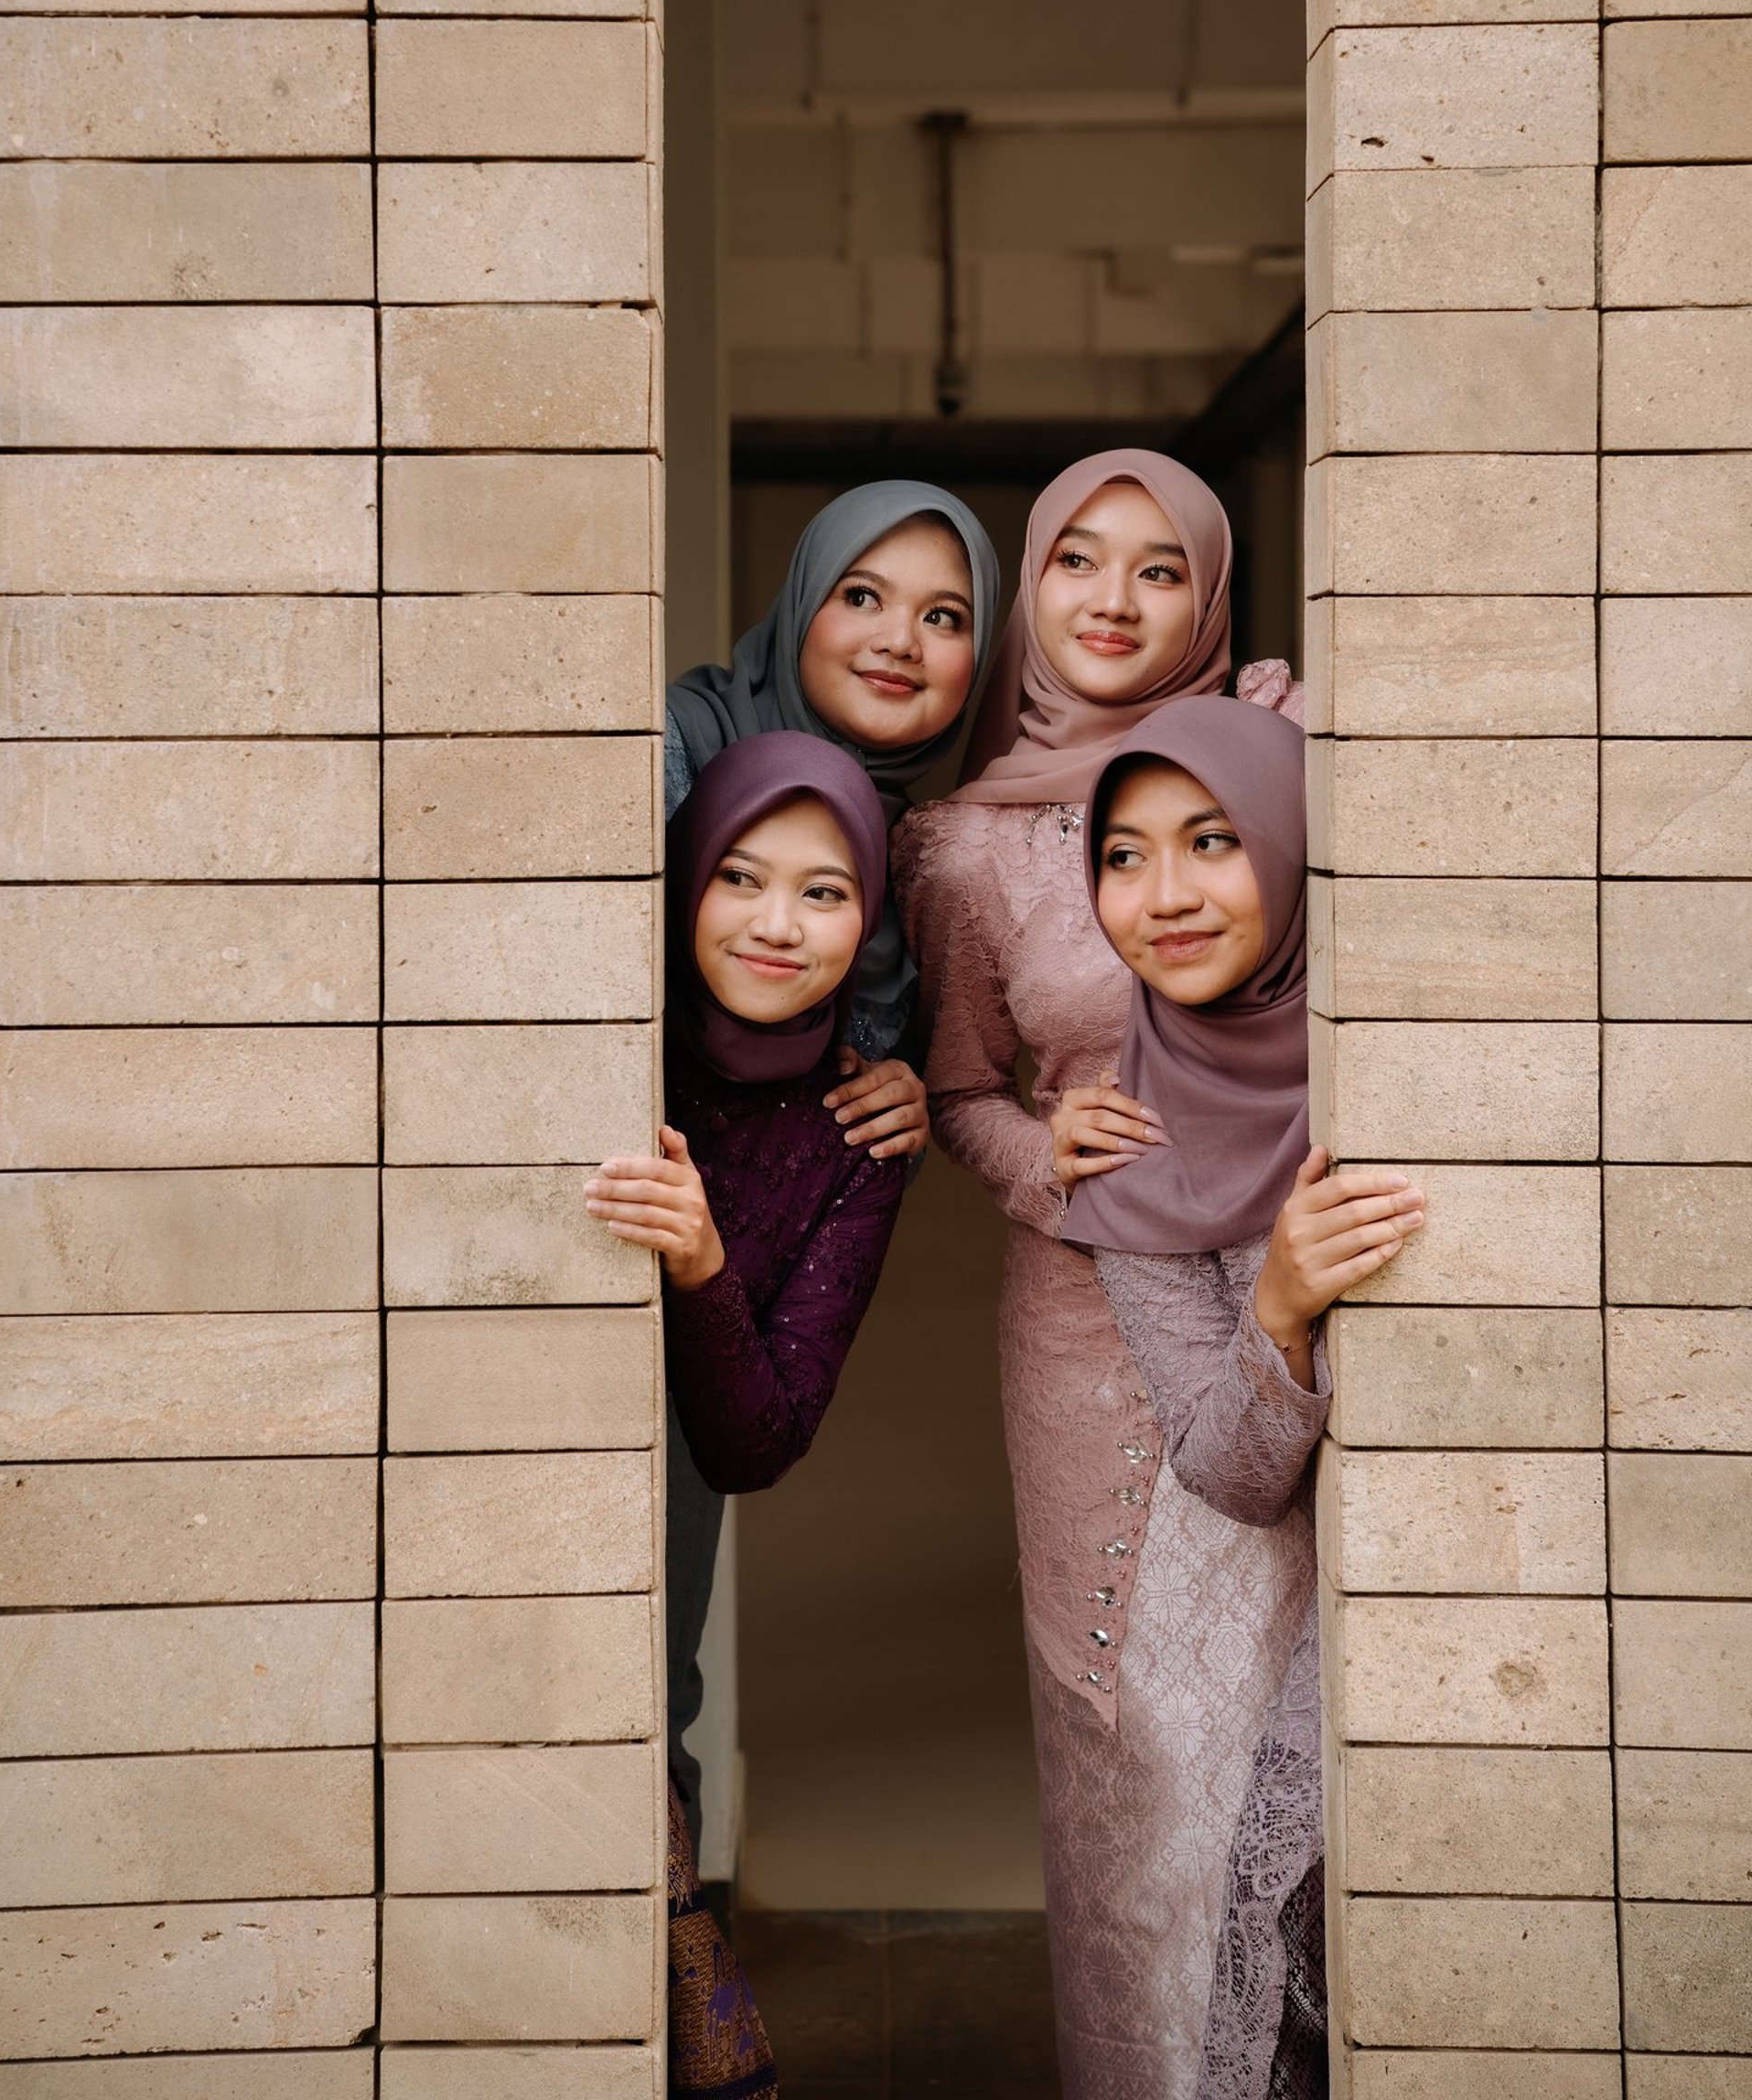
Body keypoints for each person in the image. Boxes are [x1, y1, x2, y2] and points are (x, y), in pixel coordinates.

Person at [891, 448, 1304, 2100]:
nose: (1115, 601)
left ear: (1208, 594)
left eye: (1157, 569)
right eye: (1079, 561)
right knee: (1131, 1735)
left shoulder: (1281, 750)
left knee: (1273, 1723)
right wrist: (1040, 1161)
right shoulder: (965, 843)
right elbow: (951, 1090)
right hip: (1082, 1331)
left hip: (1276, 1279)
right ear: (1032, 594)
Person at [1070, 696, 1423, 2098]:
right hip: (1308, 1616)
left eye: (1210, 841)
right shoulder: (1123, 1141)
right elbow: (1224, 1470)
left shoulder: (1401, 1050)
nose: (1163, 897)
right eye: (1124, 856)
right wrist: (1280, 1302)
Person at [586, 732, 908, 1868]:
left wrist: (701, 1262)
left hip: (666, 1525)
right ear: (684, 881)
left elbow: (754, 1446)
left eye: (823, 893)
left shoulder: (861, 1133)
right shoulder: (598, 1047)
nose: (777, 926)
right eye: (739, 877)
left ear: (866, 919)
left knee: (644, 1738)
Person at [666, 480, 1001, 1170]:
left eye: (944, 617)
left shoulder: (924, 859)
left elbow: (857, 1152)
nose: (901, 641)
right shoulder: (670, 750)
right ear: (802, 604)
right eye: (861, 596)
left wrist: (908, 1101)